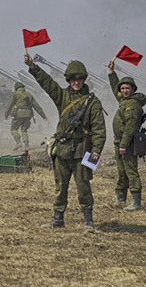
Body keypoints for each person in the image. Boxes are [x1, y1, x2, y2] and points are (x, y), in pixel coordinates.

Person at [25, 54, 106, 228]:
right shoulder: (62, 96)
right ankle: (58, 219)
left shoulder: (93, 103)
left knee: (83, 185)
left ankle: (88, 220)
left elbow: (99, 130)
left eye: (79, 79)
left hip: (81, 151)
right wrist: (33, 67)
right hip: (62, 149)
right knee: (60, 186)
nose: (76, 82)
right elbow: (47, 84)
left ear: (84, 79)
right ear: (69, 80)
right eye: (73, 79)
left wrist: (96, 150)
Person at [107, 61, 146, 211]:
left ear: (133, 89)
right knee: (121, 171)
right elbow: (115, 89)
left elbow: (130, 128)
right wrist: (112, 73)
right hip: (120, 142)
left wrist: (123, 145)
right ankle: (121, 198)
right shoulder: (125, 100)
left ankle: (136, 202)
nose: (124, 91)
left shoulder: (132, 106)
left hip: (127, 143)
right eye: (122, 88)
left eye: (127, 88)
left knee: (130, 171)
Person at [4, 81, 48, 150]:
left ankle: (18, 143)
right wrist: (43, 116)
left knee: (13, 129)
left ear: (16, 88)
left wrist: (6, 115)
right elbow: (36, 106)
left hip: (18, 115)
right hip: (28, 115)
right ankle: (26, 145)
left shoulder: (15, 95)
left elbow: (9, 105)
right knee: (24, 130)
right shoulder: (29, 95)